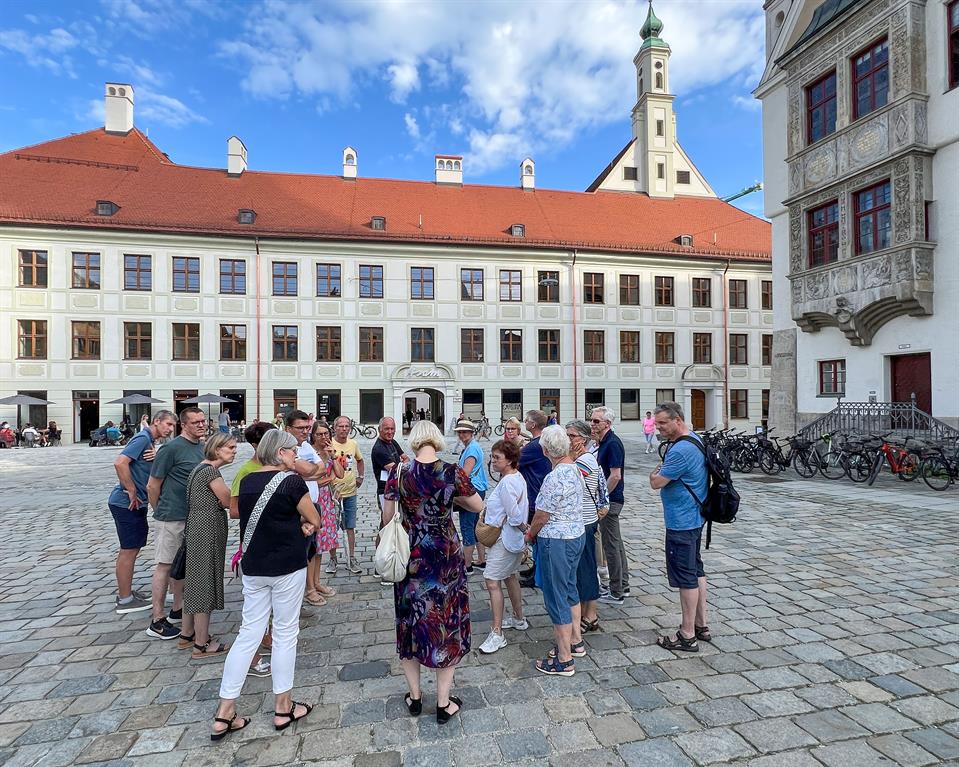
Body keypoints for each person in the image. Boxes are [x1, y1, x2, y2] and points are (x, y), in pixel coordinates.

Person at [210, 429, 320, 740]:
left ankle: (224, 711)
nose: (295, 454)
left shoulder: (247, 481)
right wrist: (306, 524)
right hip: (286, 565)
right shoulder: (292, 482)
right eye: (292, 450)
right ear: (280, 452)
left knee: (248, 634)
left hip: (254, 565)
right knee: (285, 633)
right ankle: (283, 706)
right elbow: (314, 518)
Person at [382, 420, 484, 724]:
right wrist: (449, 498)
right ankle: (443, 703)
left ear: (414, 441)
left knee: (410, 622)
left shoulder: (398, 472)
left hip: (411, 556)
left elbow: (387, 517)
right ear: (437, 440)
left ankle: (415, 697)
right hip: (445, 557)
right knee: (446, 624)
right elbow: (477, 504)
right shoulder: (452, 472)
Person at [649, 402, 709, 653]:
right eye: (657, 423)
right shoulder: (694, 439)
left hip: (681, 521)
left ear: (678, 420)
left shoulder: (680, 450)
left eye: (663, 423)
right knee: (696, 570)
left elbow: (657, 482)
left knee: (686, 577)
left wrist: (654, 475)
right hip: (695, 517)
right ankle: (701, 625)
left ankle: (687, 634)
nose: (658, 428)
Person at [524, 426, 584, 676]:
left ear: (546, 450)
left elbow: (542, 515)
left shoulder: (554, 476)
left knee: (556, 596)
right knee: (569, 588)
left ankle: (564, 658)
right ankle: (575, 641)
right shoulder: (575, 469)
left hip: (556, 540)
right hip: (575, 534)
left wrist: (530, 534)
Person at [145, 407, 206, 640]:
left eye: (203, 421)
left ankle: (178, 608)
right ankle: (157, 619)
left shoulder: (201, 447)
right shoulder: (170, 449)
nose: (201, 425)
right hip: (171, 515)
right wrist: (160, 510)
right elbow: (153, 485)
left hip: (193, 516)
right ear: (184, 424)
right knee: (165, 565)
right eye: (195, 422)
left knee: (183, 566)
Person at [108, 410, 177, 614]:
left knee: (133, 547)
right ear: (156, 421)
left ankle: (127, 592)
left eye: (173, 426)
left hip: (134, 504)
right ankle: (125, 599)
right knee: (129, 550)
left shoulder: (150, 441)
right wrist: (131, 490)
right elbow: (120, 462)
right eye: (168, 424)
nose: (171, 429)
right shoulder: (143, 437)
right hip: (126, 503)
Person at [229, 421, 278, 677]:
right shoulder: (246, 472)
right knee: (255, 608)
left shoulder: (275, 468)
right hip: (256, 543)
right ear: (257, 445)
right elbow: (234, 510)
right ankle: (253, 656)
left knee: (269, 602)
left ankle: (267, 637)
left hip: (274, 542)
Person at [183, 433, 237, 658]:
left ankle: (187, 634)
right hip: (207, 529)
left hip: (198, 526)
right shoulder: (211, 472)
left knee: (195, 580)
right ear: (217, 450)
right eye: (230, 447)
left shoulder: (200, 468)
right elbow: (227, 500)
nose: (234, 451)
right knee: (204, 582)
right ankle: (201, 644)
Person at [478, 440, 529, 654]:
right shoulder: (516, 477)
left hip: (504, 539)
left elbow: (515, 515)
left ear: (509, 460)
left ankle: (497, 633)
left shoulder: (508, 482)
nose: (493, 461)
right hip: (512, 539)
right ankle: (519, 618)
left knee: (492, 581)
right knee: (509, 576)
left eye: (497, 457)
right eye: (492, 456)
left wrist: (525, 530)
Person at [566, 420, 609, 634]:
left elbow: (568, 479)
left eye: (572, 436)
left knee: (586, 568)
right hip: (581, 520)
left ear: (583, 439)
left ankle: (590, 614)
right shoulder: (582, 458)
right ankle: (586, 612)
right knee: (582, 568)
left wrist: (568, 459)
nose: (568, 439)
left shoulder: (585, 460)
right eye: (567, 435)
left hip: (585, 521)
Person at [285, 409, 330, 606]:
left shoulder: (305, 446)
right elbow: (312, 471)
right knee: (299, 552)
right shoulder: (284, 448)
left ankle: (312, 585)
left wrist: (303, 473)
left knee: (312, 549)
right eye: (300, 428)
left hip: (312, 503)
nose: (305, 431)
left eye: (306, 427)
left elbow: (322, 469)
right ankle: (305, 591)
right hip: (295, 507)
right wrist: (309, 472)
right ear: (288, 428)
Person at [592, 406, 630, 606]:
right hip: (612, 499)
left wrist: (602, 499)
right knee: (617, 544)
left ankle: (616, 592)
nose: (592, 424)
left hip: (611, 501)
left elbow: (615, 476)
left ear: (607, 423)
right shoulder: (605, 441)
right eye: (592, 420)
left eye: (596, 421)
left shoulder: (612, 443)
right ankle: (623, 585)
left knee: (611, 546)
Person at [306, 420, 343, 601]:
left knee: (320, 546)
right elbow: (313, 481)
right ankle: (310, 587)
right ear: (313, 435)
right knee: (312, 547)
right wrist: (331, 477)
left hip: (326, 503)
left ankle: (317, 581)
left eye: (326, 433)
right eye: (319, 434)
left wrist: (333, 457)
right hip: (313, 500)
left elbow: (340, 474)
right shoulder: (309, 453)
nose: (323, 437)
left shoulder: (329, 452)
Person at [518, 410, 551, 588]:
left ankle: (538, 575)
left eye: (527, 420)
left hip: (534, 493)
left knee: (535, 536)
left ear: (533, 424)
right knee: (536, 538)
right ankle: (536, 569)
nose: (525, 422)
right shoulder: (539, 442)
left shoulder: (534, 445)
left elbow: (514, 461)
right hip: (536, 490)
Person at [327, 415, 365, 574]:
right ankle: (333, 558)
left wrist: (360, 477)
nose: (344, 429)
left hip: (350, 492)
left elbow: (360, 460)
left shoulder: (353, 444)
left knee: (350, 526)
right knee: (332, 527)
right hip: (333, 494)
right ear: (334, 428)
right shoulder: (329, 444)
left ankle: (351, 557)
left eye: (346, 426)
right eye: (340, 426)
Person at [453, 419, 489, 573]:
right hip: (478, 489)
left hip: (471, 490)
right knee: (475, 527)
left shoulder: (472, 449)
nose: (462, 435)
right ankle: (481, 560)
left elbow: (465, 474)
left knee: (467, 527)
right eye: (460, 432)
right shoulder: (472, 446)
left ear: (471, 432)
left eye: (465, 432)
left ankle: (467, 566)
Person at [371, 417, 408, 512]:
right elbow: (398, 471)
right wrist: (401, 465)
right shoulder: (379, 449)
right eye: (386, 429)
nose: (390, 432)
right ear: (379, 429)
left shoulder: (392, 441)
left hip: (397, 488)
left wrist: (402, 465)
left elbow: (406, 458)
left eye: (392, 429)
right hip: (386, 492)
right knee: (388, 519)